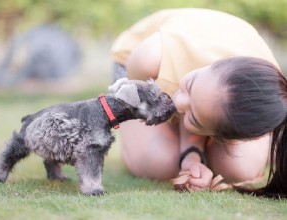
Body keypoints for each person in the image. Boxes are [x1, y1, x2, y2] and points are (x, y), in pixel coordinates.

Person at [110, 8, 287, 198]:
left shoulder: (265, 99)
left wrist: (192, 157)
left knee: (240, 169)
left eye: (194, 119)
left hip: (211, 94)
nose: (177, 102)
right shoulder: (149, 58)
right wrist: (191, 154)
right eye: (191, 85)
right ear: (210, 64)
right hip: (139, 74)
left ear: (219, 136)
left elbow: (200, 103)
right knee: (161, 163)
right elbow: (178, 102)